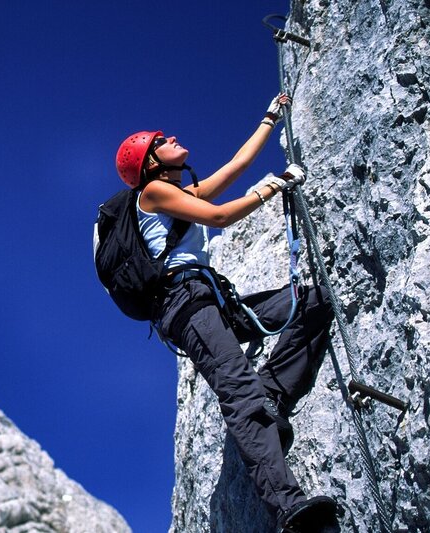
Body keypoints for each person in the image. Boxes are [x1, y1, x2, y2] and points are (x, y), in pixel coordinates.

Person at [114, 94, 340, 531]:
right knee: (238, 392)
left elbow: (234, 167)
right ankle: (288, 509)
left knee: (311, 302)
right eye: (162, 140)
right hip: (186, 307)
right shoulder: (154, 192)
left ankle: (272, 393)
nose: (173, 137)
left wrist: (270, 117)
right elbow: (218, 217)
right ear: (151, 163)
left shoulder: (175, 195)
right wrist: (270, 187)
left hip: (210, 302)